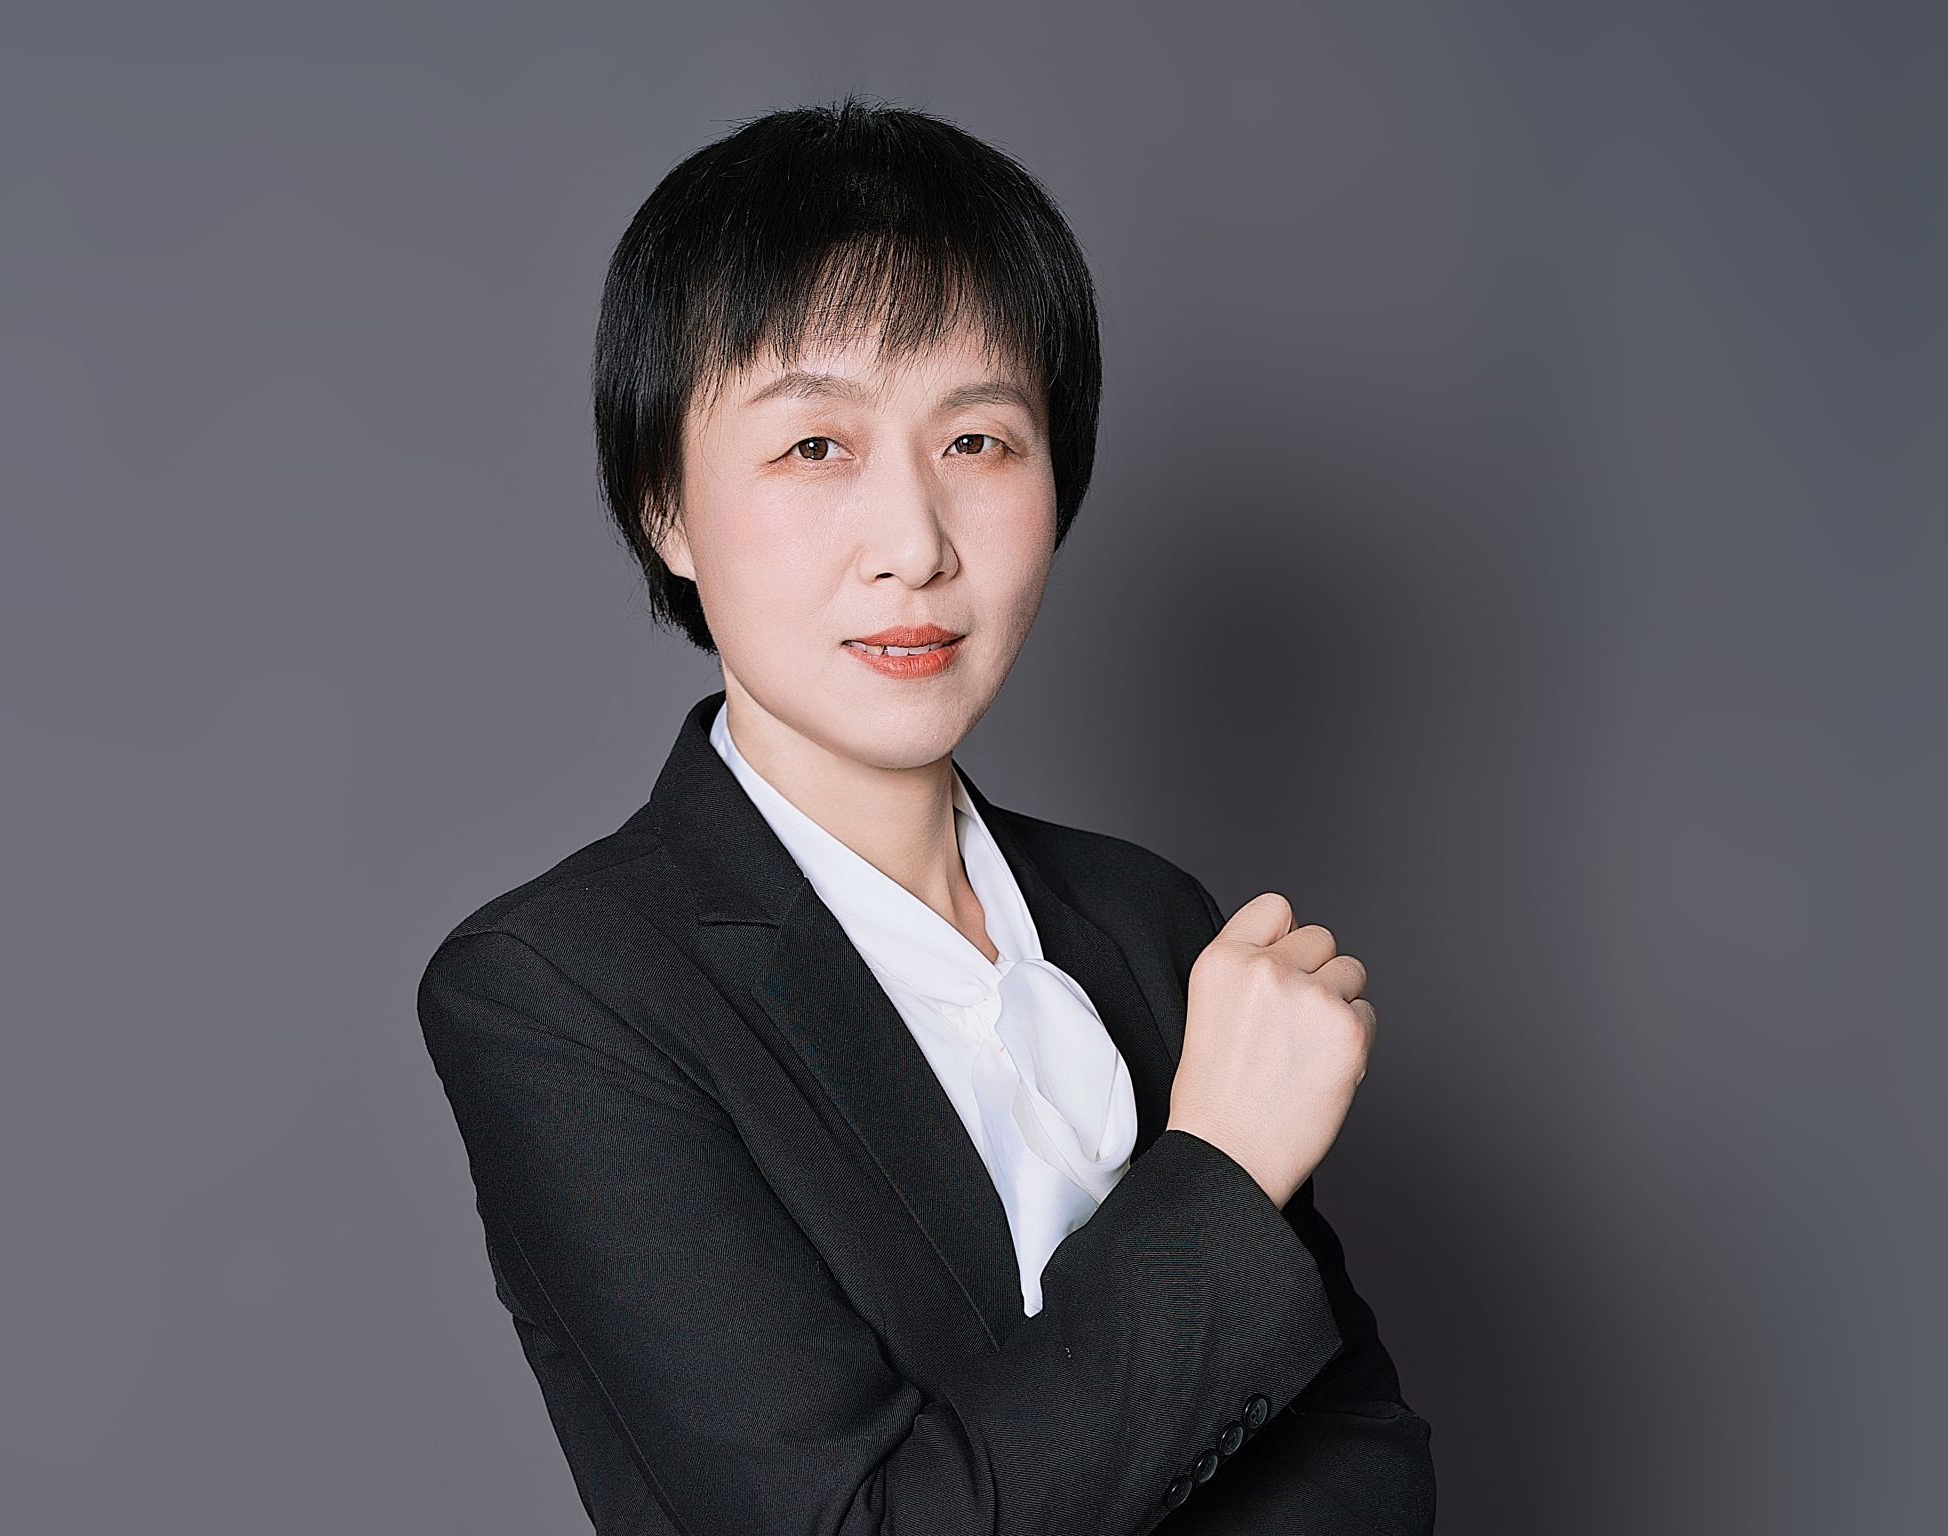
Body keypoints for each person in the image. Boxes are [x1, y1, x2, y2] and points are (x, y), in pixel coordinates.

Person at [416, 94, 1435, 1534]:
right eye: (814, 447)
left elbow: (1369, 1466)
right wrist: (1216, 1173)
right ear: (664, 506)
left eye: (978, 442)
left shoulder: (1147, 922)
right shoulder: (562, 991)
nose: (913, 545)